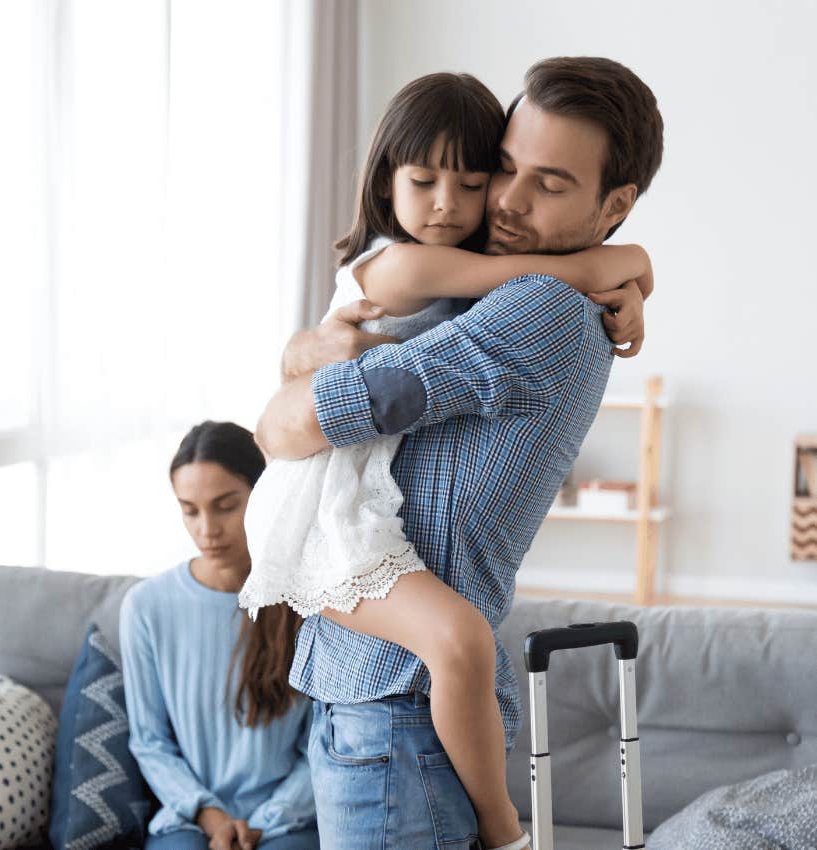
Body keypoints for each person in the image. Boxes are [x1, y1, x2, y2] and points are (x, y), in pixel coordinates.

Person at [254, 57, 665, 850]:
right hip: (375, 706)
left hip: (399, 718)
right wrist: (634, 267)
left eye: (549, 184)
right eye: (503, 168)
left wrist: (287, 394)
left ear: (615, 203)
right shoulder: (485, 278)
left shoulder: (540, 305)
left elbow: (297, 424)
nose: (504, 201)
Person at [119, 421, 319, 850]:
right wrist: (212, 819)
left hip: (288, 822)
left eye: (226, 505)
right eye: (190, 510)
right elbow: (150, 741)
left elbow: (321, 740)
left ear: (263, 496)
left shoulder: (309, 600)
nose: (206, 529)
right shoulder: (146, 606)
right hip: (189, 822)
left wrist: (265, 820)